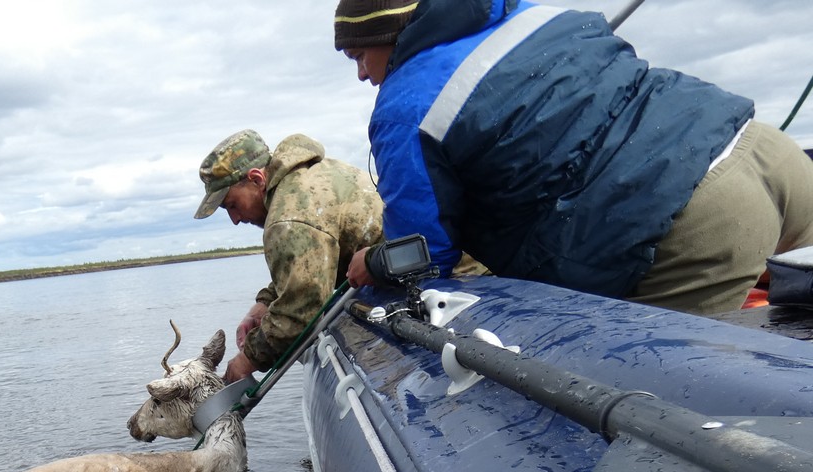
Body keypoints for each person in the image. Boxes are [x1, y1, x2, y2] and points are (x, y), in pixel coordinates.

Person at [334, 0, 813, 316]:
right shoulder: (536, 15)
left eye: (359, 55)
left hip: (692, 225)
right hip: (774, 157)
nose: (359, 75)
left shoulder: (401, 110)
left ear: (392, 36)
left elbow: (424, 256)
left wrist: (375, 263)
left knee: (685, 429)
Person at [194, 130, 383, 383]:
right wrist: (264, 304)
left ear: (257, 179)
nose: (235, 219)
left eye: (232, 205)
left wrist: (246, 360)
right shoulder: (304, 178)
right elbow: (313, 263)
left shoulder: (287, 218)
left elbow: (301, 309)